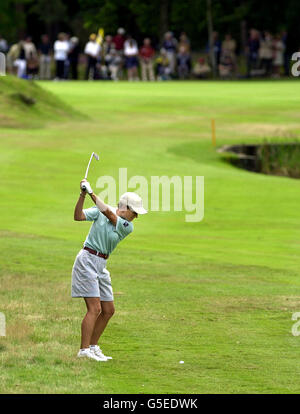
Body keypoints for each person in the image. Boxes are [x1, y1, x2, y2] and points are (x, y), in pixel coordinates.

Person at [72, 179, 147, 361]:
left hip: (101, 264)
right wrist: (83, 195)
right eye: (134, 212)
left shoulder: (127, 226)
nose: (136, 216)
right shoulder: (102, 210)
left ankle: (93, 346)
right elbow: (78, 216)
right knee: (95, 308)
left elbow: (109, 215)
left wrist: (91, 193)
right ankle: (84, 351)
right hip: (87, 260)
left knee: (108, 309)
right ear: (125, 208)